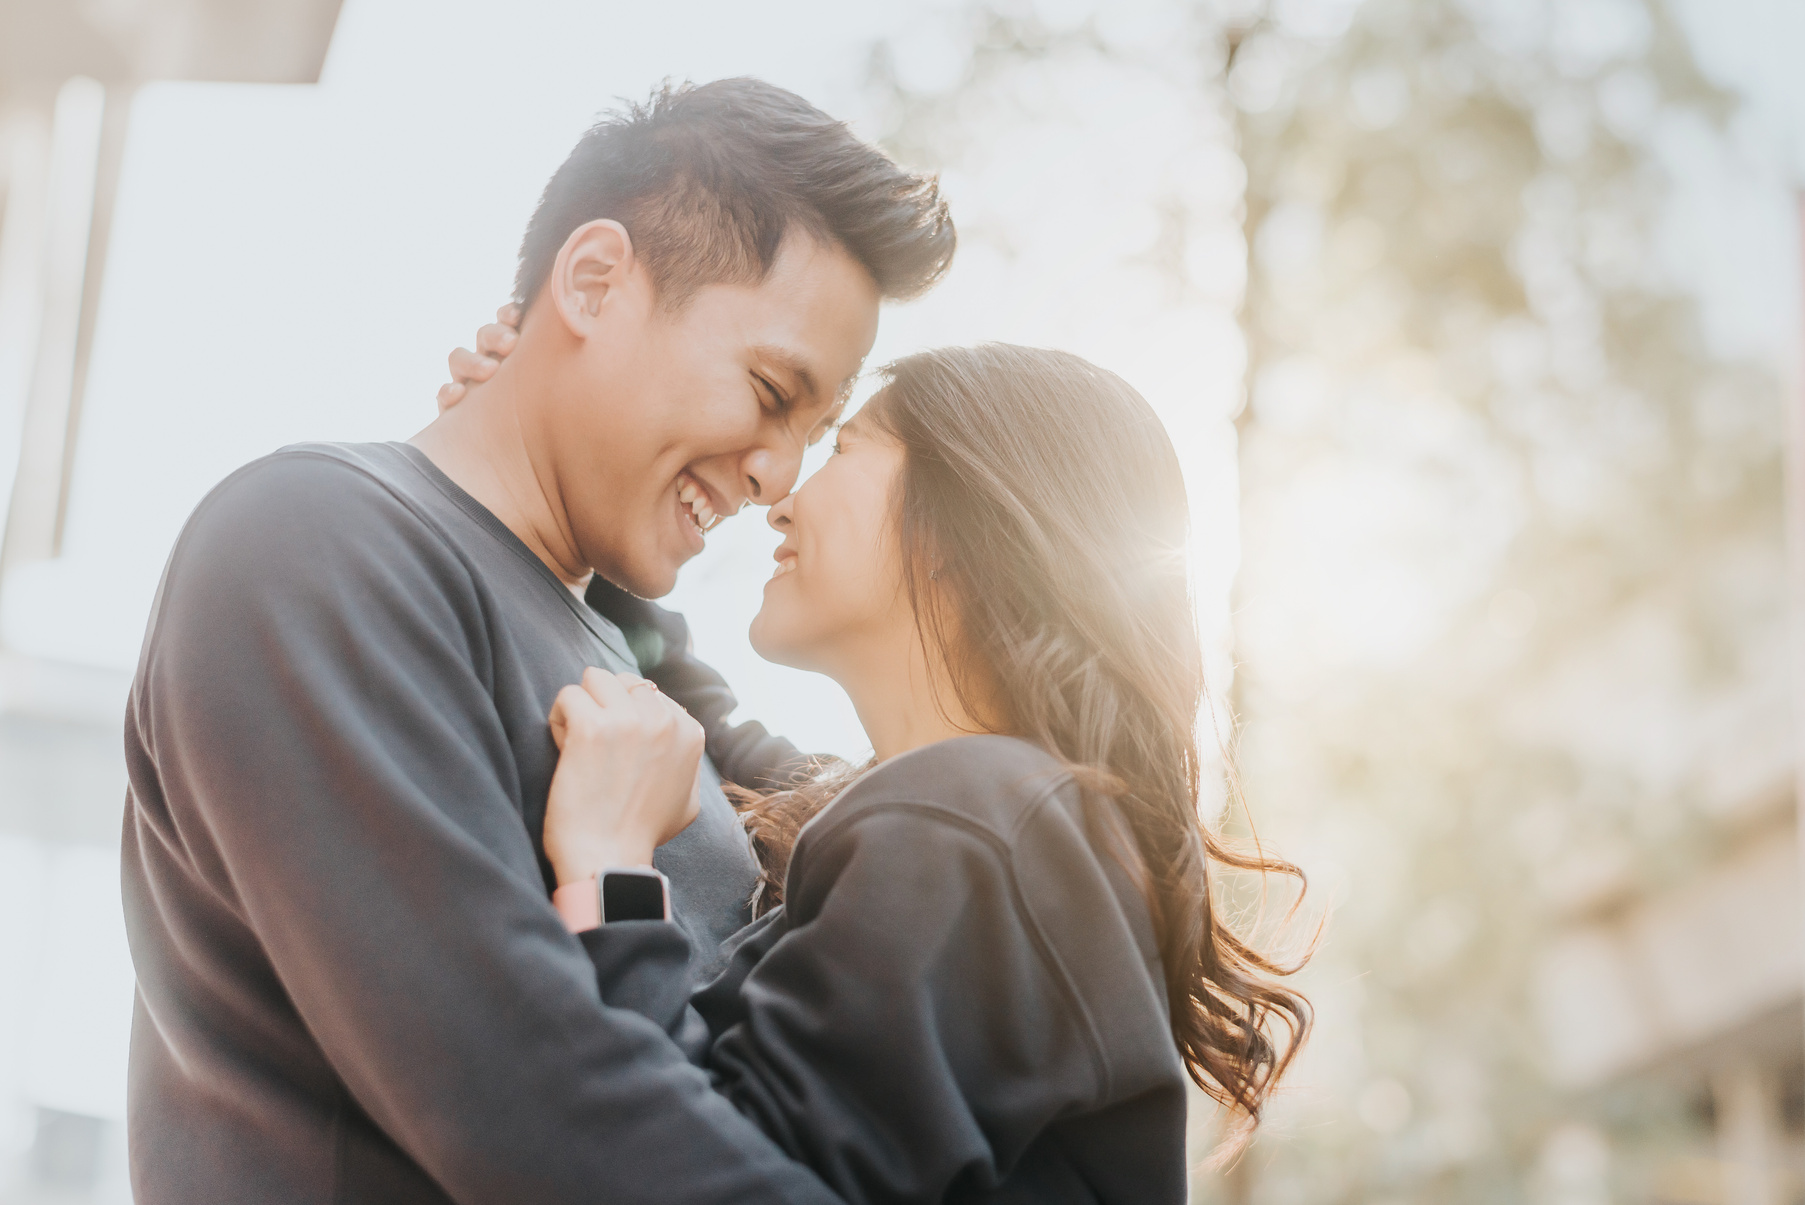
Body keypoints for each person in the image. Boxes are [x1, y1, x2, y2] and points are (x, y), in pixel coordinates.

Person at [121, 78, 953, 1205]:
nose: (776, 476)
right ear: (596, 281)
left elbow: (830, 842)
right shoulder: (311, 545)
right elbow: (535, 1115)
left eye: (810, 432)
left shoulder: (615, 648)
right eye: (769, 391)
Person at [528, 344, 1313, 1203]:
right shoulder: (995, 820)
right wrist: (568, 486)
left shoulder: (974, 824)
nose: (778, 503)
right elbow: (720, 725)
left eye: (843, 449)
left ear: (965, 510)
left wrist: (609, 871)